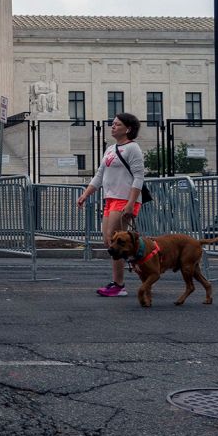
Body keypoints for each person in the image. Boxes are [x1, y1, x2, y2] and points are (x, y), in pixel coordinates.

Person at [76, 112, 145, 297]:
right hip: (110, 199)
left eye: (117, 124)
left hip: (124, 199)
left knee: (115, 243)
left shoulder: (133, 148)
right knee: (109, 240)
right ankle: (141, 269)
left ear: (128, 129)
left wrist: (131, 203)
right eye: (112, 124)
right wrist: (85, 194)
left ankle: (118, 284)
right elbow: (99, 175)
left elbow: (139, 177)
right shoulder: (110, 149)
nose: (113, 126)